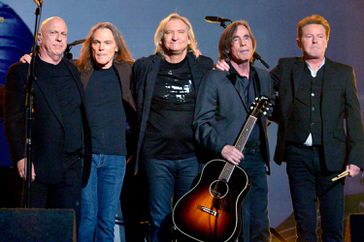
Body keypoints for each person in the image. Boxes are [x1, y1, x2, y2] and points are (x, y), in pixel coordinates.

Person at [271, 14, 364, 241]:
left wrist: (357, 159)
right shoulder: (286, 67)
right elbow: (257, 85)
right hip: (298, 157)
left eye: (319, 36)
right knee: (305, 225)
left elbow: (353, 117)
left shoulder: (343, 72)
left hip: (333, 159)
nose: (314, 41)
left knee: (333, 227)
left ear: (327, 40)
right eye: (308, 36)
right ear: (299, 41)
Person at [132, 12, 213, 242]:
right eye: (169, 32)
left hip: (191, 156)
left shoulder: (203, 66)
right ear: (161, 38)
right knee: (159, 218)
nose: (175, 37)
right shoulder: (145, 67)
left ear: (189, 39)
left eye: (180, 32)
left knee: (188, 220)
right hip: (156, 156)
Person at [4, 16, 89, 223]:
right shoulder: (24, 70)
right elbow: (14, 117)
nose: (60, 39)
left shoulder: (72, 69)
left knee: (66, 227)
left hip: (71, 166)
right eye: (53, 33)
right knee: (33, 227)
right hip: (38, 165)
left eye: (63, 34)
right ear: (40, 38)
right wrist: (22, 156)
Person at [194, 20, 272, 242]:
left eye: (246, 38)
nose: (243, 44)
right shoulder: (215, 77)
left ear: (253, 44)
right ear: (228, 48)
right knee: (234, 225)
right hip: (229, 163)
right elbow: (201, 124)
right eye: (236, 39)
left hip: (256, 160)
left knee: (259, 223)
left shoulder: (263, 77)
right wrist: (223, 148)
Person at [75, 22, 136, 242]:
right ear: (91, 46)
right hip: (87, 156)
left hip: (116, 156)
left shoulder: (129, 70)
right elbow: (51, 66)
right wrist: (28, 60)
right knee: (87, 218)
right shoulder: (79, 71)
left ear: (116, 47)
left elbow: (159, 63)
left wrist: (193, 54)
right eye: (97, 42)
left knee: (106, 220)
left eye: (107, 43)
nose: (101, 47)